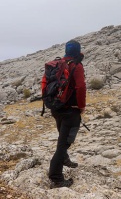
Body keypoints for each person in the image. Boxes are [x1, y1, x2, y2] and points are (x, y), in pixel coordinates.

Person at [47, 40, 86, 188]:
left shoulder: (58, 64)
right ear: (78, 51)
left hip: (56, 108)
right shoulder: (76, 65)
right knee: (64, 143)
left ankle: (64, 159)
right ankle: (56, 177)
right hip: (71, 110)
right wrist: (81, 106)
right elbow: (81, 87)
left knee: (62, 137)